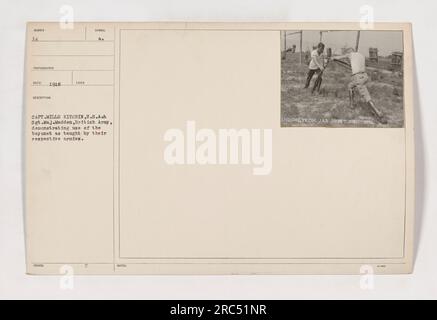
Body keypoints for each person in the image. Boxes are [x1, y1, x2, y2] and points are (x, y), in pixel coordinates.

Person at [331, 48, 387, 124]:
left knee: (366, 97)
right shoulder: (361, 55)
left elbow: (340, 57)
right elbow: (353, 66)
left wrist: (333, 58)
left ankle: (379, 114)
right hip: (364, 76)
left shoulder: (350, 54)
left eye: (347, 53)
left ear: (350, 51)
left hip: (358, 77)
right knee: (350, 86)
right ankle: (351, 105)